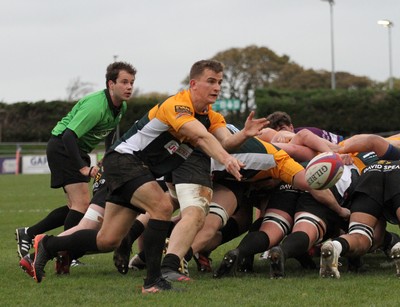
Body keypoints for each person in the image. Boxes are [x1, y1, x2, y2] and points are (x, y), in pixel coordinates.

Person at [30, 60, 264, 294]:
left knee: (108, 240)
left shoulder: (211, 116)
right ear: (194, 83)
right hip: (125, 161)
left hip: (138, 170)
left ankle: (49, 245)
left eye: (220, 82)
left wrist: (244, 134)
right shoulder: (177, 105)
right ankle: (153, 281)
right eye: (211, 81)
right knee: (162, 207)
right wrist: (226, 159)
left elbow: (225, 140)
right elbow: (201, 138)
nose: (217, 87)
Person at [15, 62, 136, 259]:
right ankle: (66, 254)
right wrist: (82, 168)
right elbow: (68, 135)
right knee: (82, 205)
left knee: (76, 207)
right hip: (64, 147)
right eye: (124, 82)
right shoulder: (96, 106)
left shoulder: (120, 106)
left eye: (131, 82)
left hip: (75, 149)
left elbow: (110, 130)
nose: (129, 87)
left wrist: (108, 155)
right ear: (110, 84)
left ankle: (29, 233)